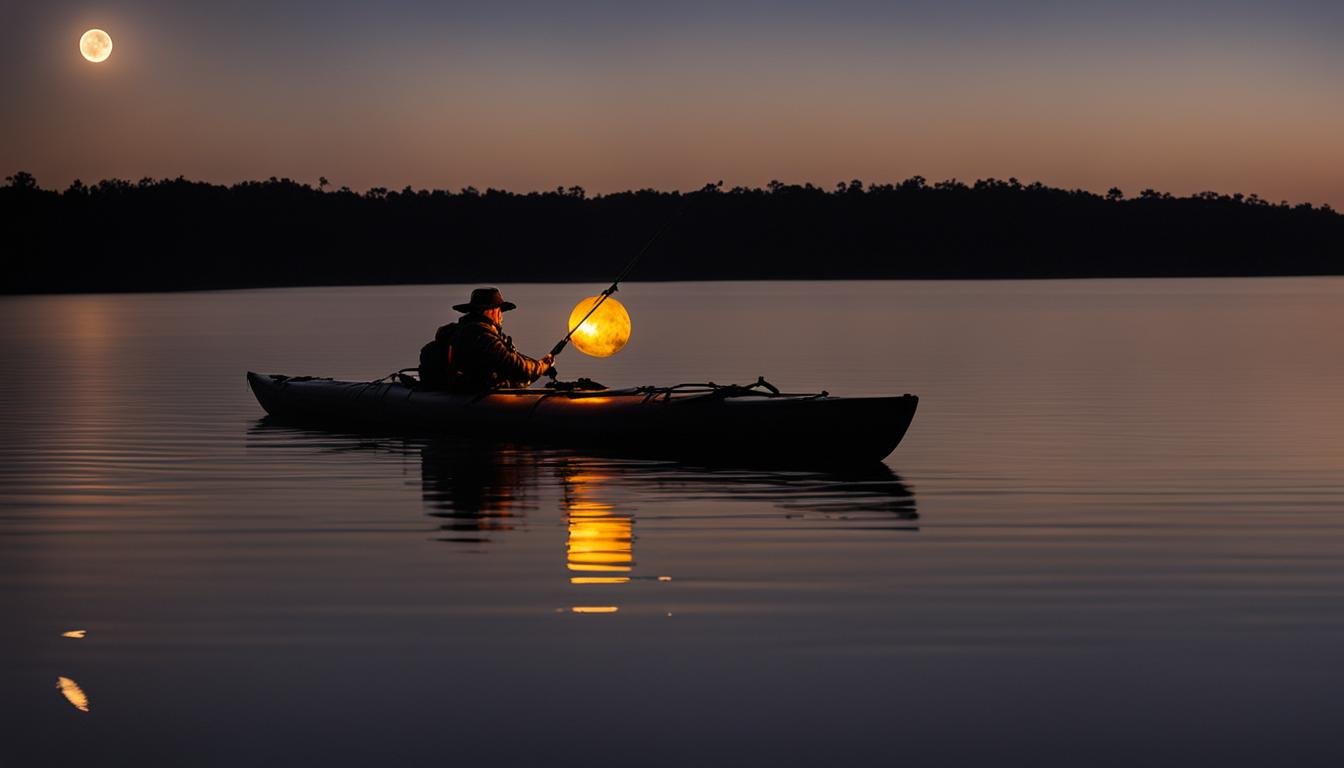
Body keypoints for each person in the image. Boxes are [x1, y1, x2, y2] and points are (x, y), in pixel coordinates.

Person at [419, 287, 554, 391]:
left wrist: (539, 365)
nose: (502, 316)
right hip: (470, 393)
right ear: (491, 311)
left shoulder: (465, 331)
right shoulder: (481, 335)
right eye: (500, 310)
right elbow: (517, 367)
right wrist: (543, 365)